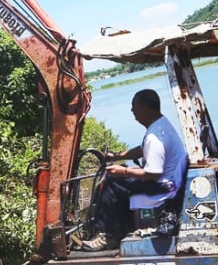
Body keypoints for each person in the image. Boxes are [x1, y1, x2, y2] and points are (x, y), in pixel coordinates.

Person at [76, 88, 188, 251]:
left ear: (146, 108)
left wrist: (125, 172)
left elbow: (152, 173)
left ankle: (107, 235)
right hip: (170, 181)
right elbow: (143, 149)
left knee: (113, 182)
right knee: (121, 173)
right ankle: (122, 227)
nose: (132, 111)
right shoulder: (161, 125)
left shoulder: (154, 136)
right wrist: (117, 156)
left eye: (134, 107)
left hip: (163, 187)